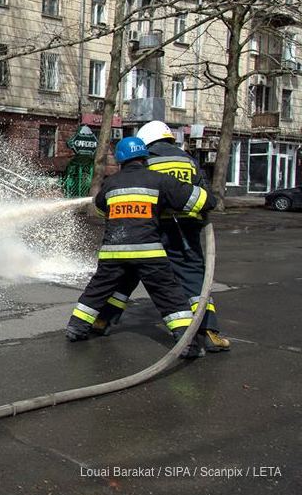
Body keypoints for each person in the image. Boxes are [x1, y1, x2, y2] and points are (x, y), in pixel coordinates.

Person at [66, 137, 216, 358]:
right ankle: (188, 344)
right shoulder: (159, 181)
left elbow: (100, 210)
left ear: (120, 161)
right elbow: (204, 201)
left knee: (97, 290)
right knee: (168, 295)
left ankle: (76, 328)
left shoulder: (111, 183)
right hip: (148, 252)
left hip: (113, 253)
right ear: (145, 158)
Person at [92, 121, 230, 353]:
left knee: (126, 273)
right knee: (193, 278)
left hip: (146, 225)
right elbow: (204, 196)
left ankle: (102, 320)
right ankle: (207, 331)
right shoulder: (188, 160)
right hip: (184, 230)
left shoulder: (146, 161)